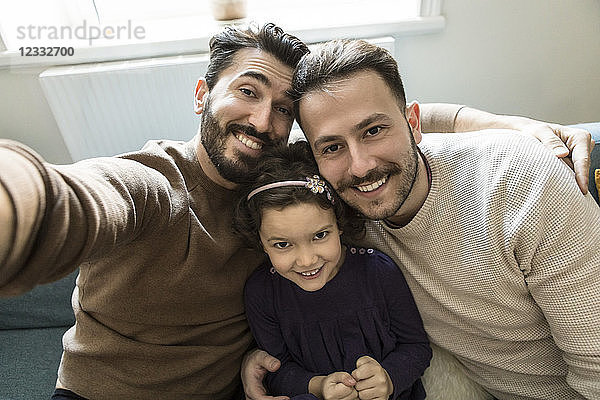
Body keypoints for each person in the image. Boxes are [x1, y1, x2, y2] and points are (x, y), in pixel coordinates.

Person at [0, 22, 594, 400]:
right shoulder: (153, 184)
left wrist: (504, 125)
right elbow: (77, 198)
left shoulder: (306, 179)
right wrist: (17, 203)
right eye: (248, 91)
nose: (262, 122)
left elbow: (381, 115)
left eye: (282, 110)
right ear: (204, 94)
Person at [248, 39, 598, 399]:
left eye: (373, 131)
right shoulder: (334, 212)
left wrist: (499, 125)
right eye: (333, 147)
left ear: (413, 123)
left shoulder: (523, 183)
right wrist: (257, 362)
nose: (360, 167)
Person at [234, 142, 431, 399]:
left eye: (320, 235)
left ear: (339, 224)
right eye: (282, 244)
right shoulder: (262, 293)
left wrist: (388, 379)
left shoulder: (378, 272)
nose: (306, 261)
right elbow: (276, 370)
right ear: (261, 242)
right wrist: (319, 386)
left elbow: (416, 347)